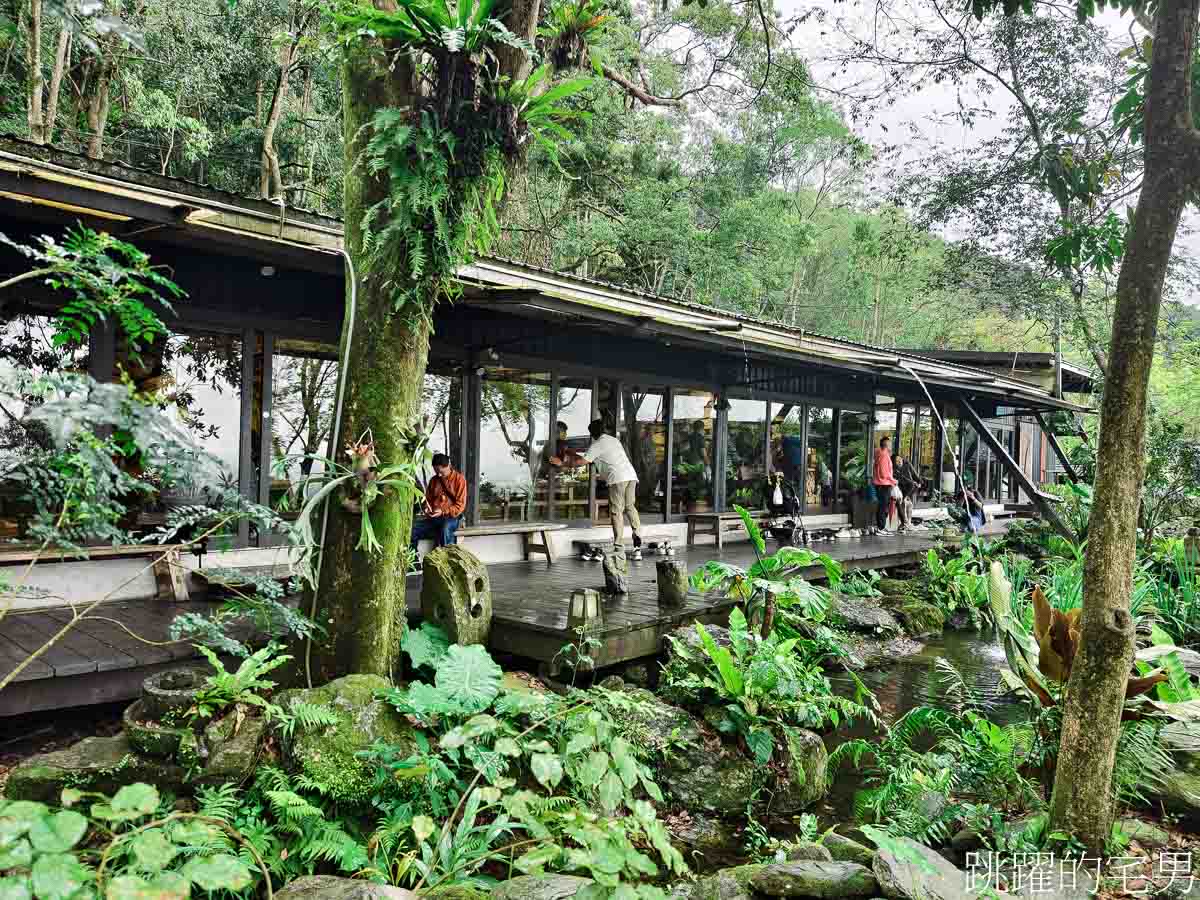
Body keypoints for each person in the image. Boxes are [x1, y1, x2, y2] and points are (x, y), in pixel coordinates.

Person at [553, 419, 644, 558]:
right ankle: (637, 539)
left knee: (616, 511)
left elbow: (581, 462)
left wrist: (561, 462)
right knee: (630, 506)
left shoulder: (598, 444)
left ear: (592, 433)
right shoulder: (613, 440)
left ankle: (619, 546)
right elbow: (597, 459)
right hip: (631, 475)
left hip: (617, 478)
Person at [410, 453, 467, 567]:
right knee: (412, 530)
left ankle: (446, 563)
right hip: (434, 517)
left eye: (442, 472)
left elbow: (460, 505)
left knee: (445, 528)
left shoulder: (459, 480)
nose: (439, 475)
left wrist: (443, 511)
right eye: (437, 472)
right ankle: (413, 562)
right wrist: (427, 508)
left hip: (452, 518)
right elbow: (428, 500)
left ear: (448, 465)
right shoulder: (433, 480)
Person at [872, 435, 898, 534]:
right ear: (886, 445)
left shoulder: (880, 453)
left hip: (882, 484)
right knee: (883, 507)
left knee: (883, 506)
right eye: (890, 443)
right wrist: (894, 480)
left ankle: (881, 527)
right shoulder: (883, 455)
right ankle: (881, 528)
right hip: (883, 484)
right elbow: (884, 473)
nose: (891, 445)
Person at [894, 453, 923, 532]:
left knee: (909, 504)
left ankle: (908, 523)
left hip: (908, 489)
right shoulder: (894, 470)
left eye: (900, 460)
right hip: (900, 489)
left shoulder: (907, 465)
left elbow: (914, 474)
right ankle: (905, 523)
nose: (899, 462)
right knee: (903, 503)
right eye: (897, 461)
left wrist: (919, 482)